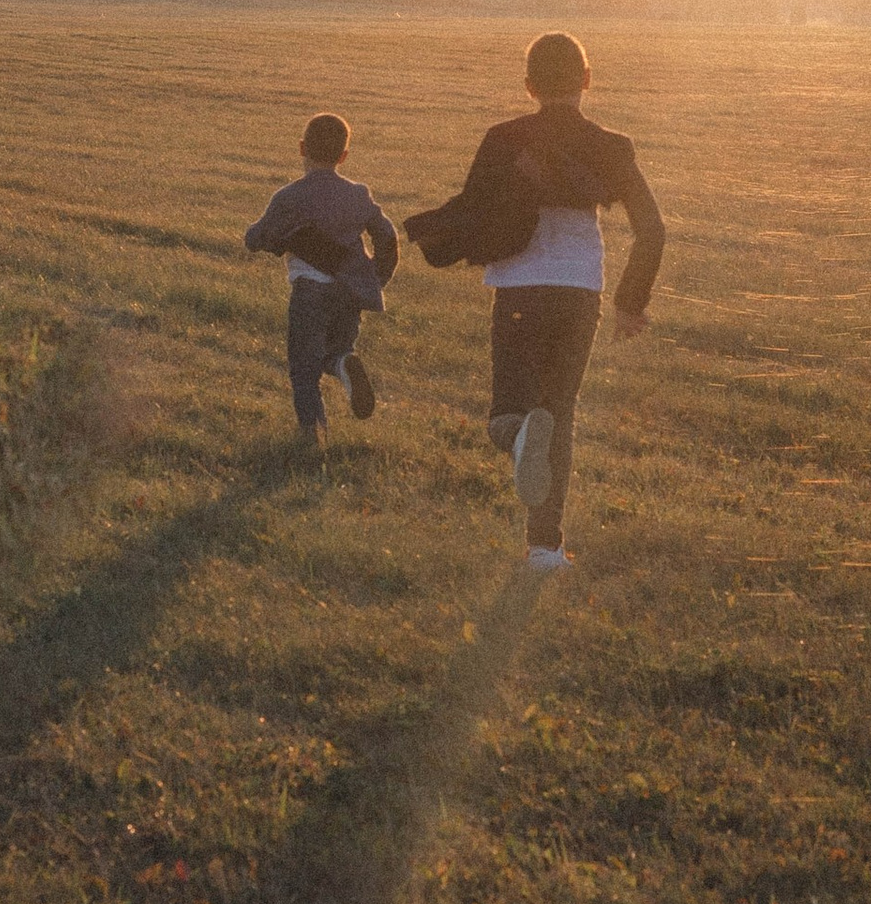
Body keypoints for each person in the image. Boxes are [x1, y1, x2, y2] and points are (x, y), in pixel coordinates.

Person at [405, 31, 664, 567]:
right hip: (580, 290)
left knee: (508, 410)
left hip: (519, 285)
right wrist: (630, 302)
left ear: (528, 86)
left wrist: (426, 233)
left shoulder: (503, 139)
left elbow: (471, 210)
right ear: (587, 80)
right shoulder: (613, 147)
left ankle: (518, 433)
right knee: (559, 413)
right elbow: (652, 230)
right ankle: (545, 547)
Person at [243, 110, 400, 450]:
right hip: (349, 293)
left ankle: (314, 440)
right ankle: (344, 365)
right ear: (344, 156)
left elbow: (255, 238)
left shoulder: (289, 197)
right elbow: (387, 236)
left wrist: (262, 237)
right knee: (336, 349)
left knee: (304, 370)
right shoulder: (358, 194)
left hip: (309, 290)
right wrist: (375, 279)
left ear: (302, 148)